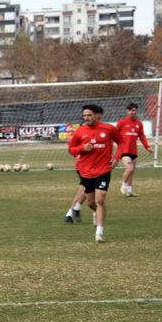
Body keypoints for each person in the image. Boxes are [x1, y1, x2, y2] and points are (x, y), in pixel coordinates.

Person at [67, 104, 123, 243]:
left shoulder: (108, 128)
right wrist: (82, 148)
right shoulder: (80, 131)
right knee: (91, 202)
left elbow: (122, 142)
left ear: (96, 115)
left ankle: (99, 233)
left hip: (103, 169)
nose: (87, 118)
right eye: (84, 115)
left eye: (89, 115)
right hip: (85, 171)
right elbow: (71, 149)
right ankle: (95, 212)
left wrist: (116, 158)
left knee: (100, 200)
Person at [115, 102, 152, 197]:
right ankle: (123, 186)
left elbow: (142, 136)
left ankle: (130, 190)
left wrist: (147, 147)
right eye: (129, 110)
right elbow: (114, 133)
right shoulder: (122, 122)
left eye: (133, 110)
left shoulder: (139, 123)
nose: (131, 112)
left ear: (136, 111)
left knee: (132, 172)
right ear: (127, 111)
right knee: (129, 169)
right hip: (124, 150)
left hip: (133, 151)